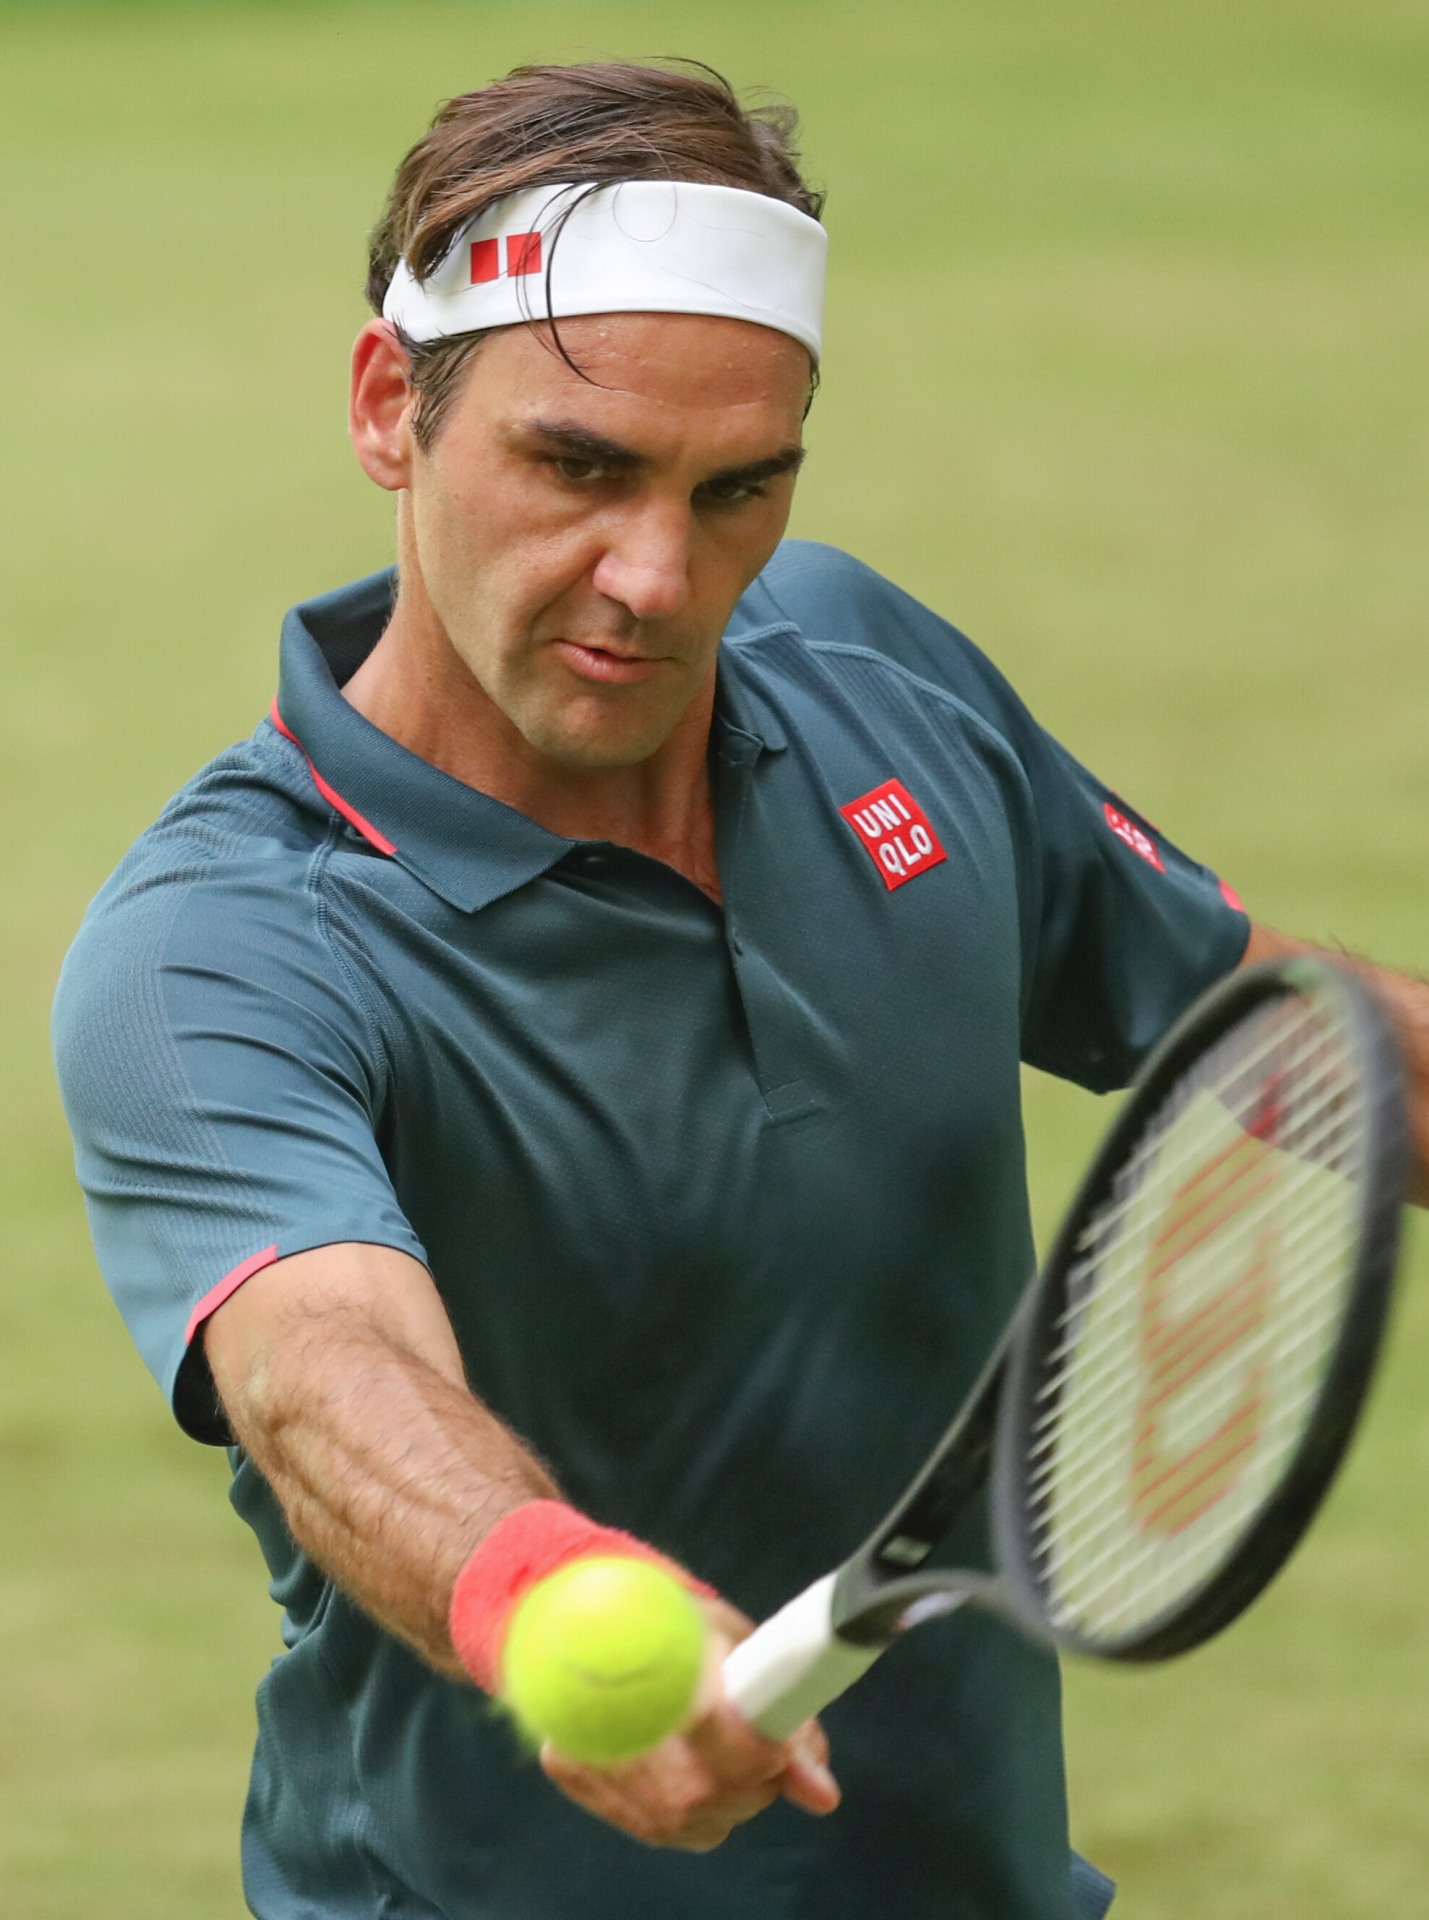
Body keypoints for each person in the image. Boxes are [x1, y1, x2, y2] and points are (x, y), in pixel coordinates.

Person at [52, 59, 1428, 1920]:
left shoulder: (870, 675)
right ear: (389, 405)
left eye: (736, 490)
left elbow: (1299, 1043)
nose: (654, 577)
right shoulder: (217, 946)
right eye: (579, 467)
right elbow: (326, 1371)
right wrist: (541, 1591)